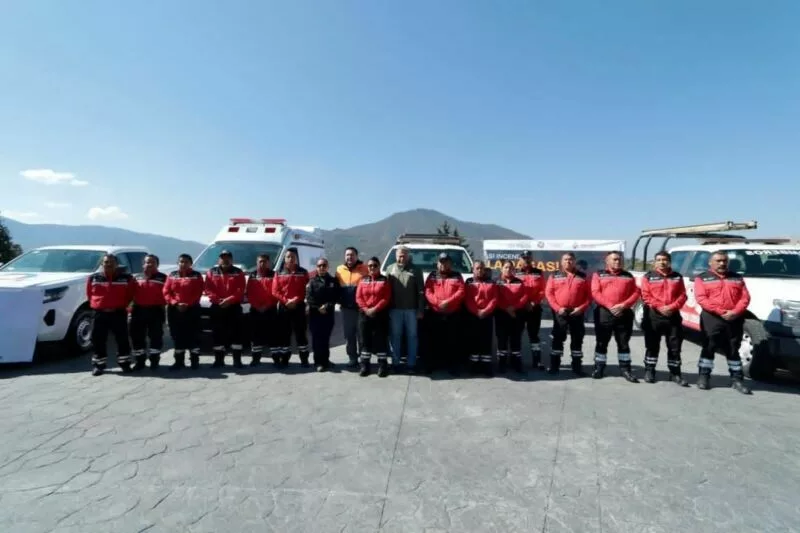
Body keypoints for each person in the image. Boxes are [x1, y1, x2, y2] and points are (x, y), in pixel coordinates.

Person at [694, 251, 752, 394]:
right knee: (709, 346)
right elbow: (702, 298)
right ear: (710, 263)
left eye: (724, 261)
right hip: (712, 317)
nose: (722, 263)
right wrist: (721, 312)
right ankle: (704, 376)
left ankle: (737, 380)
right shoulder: (702, 278)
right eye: (718, 260)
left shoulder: (737, 277)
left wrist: (735, 312)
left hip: (734, 318)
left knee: (733, 349)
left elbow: (745, 298)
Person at [590, 251, 641, 382]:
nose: (617, 262)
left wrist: (624, 305)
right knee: (602, 342)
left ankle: (625, 370)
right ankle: (599, 368)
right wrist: (611, 306)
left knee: (623, 343)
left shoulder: (628, 275)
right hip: (604, 313)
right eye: (614, 259)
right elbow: (595, 292)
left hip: (624, 313)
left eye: (619, 259)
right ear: (607, 261)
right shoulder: (598, 274)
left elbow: (636, 292)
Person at [640, 251, 689, 386]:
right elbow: (645, 295)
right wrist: (660, 307)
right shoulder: (648, 277)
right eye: (659, 260)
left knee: (675, 347)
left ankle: (675, 374)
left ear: (669, 261)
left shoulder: (677, 277)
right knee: (652, 345)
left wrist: (672, 307)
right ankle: (650, 371)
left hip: (673, 316)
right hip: (654, 316)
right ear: (655, 262)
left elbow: (683, 295)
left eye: (665, 259)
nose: (662, 262)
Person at [86, 254, 137, 376]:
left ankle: (125, 364)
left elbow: (131, 295)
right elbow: (89, 295)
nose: (108, 264)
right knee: (98, 340)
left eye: (112, 262)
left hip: (118, 313)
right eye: (106, 262)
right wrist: (98, 305)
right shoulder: (93, 278)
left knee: (122, 339)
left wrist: (125, 308)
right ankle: (99, 365)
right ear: (102, 264)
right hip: (99, 314)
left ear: (117, 264)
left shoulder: (127, 278)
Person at [545, 252, 592, 375]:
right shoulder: (554, 276)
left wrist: (581, 308)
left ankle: (577, 367)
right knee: (558, 338)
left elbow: (589, 296)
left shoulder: (583, 276)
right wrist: (557, 308)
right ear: (561, 262)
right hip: (560, 312)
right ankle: (554, 366)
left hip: (577, 312)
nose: (568, 262)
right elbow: (549, 294)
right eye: (565, 259)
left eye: (570, 259)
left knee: (577, 339)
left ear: (574, 261)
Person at [424, 253, 466, 374]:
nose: (443, 264)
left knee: (453, 340)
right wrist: (438, 303)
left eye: (446, 262)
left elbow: (461, 291)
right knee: (434, 340)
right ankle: (433, 364)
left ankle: (453, 366)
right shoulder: (432, 275)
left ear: (450, 263)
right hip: (435, 313)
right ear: (438, 263)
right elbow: (427, 291)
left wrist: (448, 302)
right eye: (441, 262)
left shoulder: (457, 275)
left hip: (453, 313)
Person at [386, 246, 425, 373]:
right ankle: (395, 363)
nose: (401, 258)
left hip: (411, 310)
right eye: (399, 256)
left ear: (408, 257)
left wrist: (420, 309)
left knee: (412, 337)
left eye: (404, 256)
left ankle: (411, 364)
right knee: (395, 336)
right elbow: (386, 291)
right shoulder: (390, 269)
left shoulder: (416, 269)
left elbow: (421, 292)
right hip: (395, 310)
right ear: (396, 256)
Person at [205, 250, 246, 368]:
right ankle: (219, 360)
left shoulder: (238, 272)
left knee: (236, 334)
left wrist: (229, 300)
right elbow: (208, 289)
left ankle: (237, 360)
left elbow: (240, 289)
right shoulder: (211, 272)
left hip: (233, 307)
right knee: (218, 334)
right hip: (217, 307)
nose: (225, 260)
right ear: (219, 259)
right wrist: (218, 301)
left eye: (228, 257)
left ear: (232, 260)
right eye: (223, 257)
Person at [163, 254, 205, 370]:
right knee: (177, 335)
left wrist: (187, 304)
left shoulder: (196, 276)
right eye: (181, 261)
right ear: (178, 263)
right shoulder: (172, 275)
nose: (183, 264)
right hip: (175, 310)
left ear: (190, 264)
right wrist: (175, 303)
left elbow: (198, 292)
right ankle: (179, 361)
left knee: (193, 335)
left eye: (186, 262)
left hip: (192, 309)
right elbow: (166, 291)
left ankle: (195, 361)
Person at [272, 247, 310, 367]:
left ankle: (304, 359)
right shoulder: (279, 272)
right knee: (284, 334)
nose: (291, 259)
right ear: (285, 258)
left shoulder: (303, 272)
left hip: (298, 307)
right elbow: (275, 291)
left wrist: (296, 300)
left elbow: (307, 290)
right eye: (288, 257)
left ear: (296, 259)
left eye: (293, 257)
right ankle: (285, 360)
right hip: (284, 307)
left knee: (301, 334)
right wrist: (286, 301)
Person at [355, 257, 392, 377]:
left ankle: (382, 365)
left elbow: (386, 297)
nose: (372, 268)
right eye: (370, 266)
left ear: (379, 266)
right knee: (364, 340)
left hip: (379, 314)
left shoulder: (384, 280)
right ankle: (365, 365)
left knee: (380, 339)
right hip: (364, 314)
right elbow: (358, 297)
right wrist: (366, 309)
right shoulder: (363, 280)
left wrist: (374, 309)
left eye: (375, 265)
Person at [130, 254, 167, 372]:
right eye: (147, 262)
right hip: (138, 310)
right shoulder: (136, 277)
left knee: (156, 337)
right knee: (137, 337)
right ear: (143, 264)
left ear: (157, 265)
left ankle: (154, 361)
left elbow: (168, 294)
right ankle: (140, 361)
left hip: (156, 311)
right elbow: (129, 295)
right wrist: (129, 310)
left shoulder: (163, 278)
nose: (149, 264)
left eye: (152, 262)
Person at [335, 247, 369, 368]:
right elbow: (336, 288)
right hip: (346, 309)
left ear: (357, 256)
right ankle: (352, 358)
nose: (350, 257)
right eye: (347, 255)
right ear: (345, 257)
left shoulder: (365, 269)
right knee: (349, 336)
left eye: (352, 255)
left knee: (362, 335)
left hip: (361, 309)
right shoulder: (339, 270)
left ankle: (364, 360)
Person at [306, 257, 341, 372]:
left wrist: (327, 306)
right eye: (319, 265)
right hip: (315, 315)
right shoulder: (311, 281)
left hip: (328, 315)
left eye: (324, 265)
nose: (322, 267)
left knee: (326, 339)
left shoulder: (333, 281)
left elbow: (336, 297)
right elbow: (309, 299)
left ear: (327, 267)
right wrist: (318, 308)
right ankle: (318, 362)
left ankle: (326, 360)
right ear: (316, 267)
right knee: (317, 339)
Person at [464, 260, 497, 375]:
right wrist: (477, 311)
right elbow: (467, 299)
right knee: (474, 340)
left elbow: (494, 299)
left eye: (481, 268)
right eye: (477, 268)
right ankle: (474, 366)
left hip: (487, 315)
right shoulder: (469, 282)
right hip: (473, 315)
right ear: (473, 269)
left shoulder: (491, 282)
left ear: (484, 269)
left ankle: (486, 366)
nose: (479, 270)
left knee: (486, 340)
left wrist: (485, 311)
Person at [495, 260, 529, 374]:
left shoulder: (519, 282)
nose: (508, 269)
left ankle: (516, 363)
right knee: (502, 340)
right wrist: (506, 308)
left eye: (510, 268)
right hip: (501, 315)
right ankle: (502, 364)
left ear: (514, 270)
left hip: (516, 315)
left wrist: (514, 307)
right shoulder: (496, 282)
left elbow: (524, 296)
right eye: (506, 267)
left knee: (516, 340)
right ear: (501, 269)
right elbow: (495, 297)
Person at [246, 253, 278, 367]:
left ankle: (276, 359)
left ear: (268, 263)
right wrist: (257, 306)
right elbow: (249, 293)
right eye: (260, 261)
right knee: (256, 336)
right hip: (255, 310)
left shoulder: (274, 275)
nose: (262, 263)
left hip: (270, 309)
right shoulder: (252, 275)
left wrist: (267, 305)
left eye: (264, 261)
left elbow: (276, 292)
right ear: (257, 263)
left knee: (273, 335)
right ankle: (256, 359)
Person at [517, 251, 546, 370]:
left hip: (534, 308)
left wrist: (534, 302)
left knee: (534, 335)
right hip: (519, 308)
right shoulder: (515, 272)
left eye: (528, 258)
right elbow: (512, 291)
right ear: (520, 259)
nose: (526, 260)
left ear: (531, 259)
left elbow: (543, 290)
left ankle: (537, 361)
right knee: (517, 334)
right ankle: (516, 360)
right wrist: (522, 303)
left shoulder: (538, 272)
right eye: (524, 258)